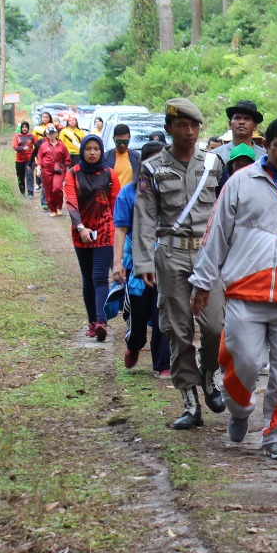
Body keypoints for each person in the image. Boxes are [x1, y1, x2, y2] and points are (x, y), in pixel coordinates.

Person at [190, 117, 277, 460]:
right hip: (245, 292)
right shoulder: (240, 183)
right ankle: (239, 410)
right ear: (265, 145)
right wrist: (204, 282)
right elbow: (216, 235)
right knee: (243, 362)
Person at [134, 98, 227, 430]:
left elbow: (227, 212)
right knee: (179, 331)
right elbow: (144, 217)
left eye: (195, 126)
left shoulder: (215, 164)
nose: (189, 133)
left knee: (215, 325)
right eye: (182, 126)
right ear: (168, 129)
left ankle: (209, 373)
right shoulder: (152, 168)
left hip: (208, 255)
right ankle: (190, 401)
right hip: (171, 254)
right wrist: (143, 261)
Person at [113, 140, 173, 378]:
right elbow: (120, 229)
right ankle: (134, 343)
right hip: (136, 264)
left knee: (163, 314)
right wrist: (117, 263)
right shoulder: (128, 194)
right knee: (138, 316)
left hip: (167, 262)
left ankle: (162, 363)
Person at [64, 135, 122, 341]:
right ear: (82, 151)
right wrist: (81, 227)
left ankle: (101, 322)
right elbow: (71, 203)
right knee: (88, 278)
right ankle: (91, 322)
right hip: (81, 232)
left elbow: (116, 203)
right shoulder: (73, 174)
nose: (92, 152)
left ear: (101, 151)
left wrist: (119, 231)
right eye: (88, 149)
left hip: (105, 230)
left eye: (96, 149)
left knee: (99, 276)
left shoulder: (109, 174)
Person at [214, 100, 269, 165]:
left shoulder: (266, 157)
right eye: (237, 118)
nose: (241, 122)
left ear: (255, 126)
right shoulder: (216, 156)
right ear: (230, 124)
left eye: (247, 118)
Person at [37, 125, 69, 216]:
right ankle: (53, 209)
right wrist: (39, 169)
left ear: (56, 134)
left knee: (57, 188)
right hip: (47, 171)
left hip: (58, 170)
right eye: (49, 133)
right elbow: (39, 158)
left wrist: (67, 171)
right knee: (48, 190)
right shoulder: (43, 146)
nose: (51, 135)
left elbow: (66, 158)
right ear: (47, 134)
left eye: (53, 133)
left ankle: (59, 206)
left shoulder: (61, 145)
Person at [34, 113, 55, 208]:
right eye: (43, 117)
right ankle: (44, 202)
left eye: (47, 117)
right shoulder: (41, 142)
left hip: (55, 166)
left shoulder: (59, 143)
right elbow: (39, 155)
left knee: (55, 185)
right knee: (45, 184)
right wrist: (38, 167)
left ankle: (53, 202)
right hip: (44, 164)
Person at [12, 122, 37, 197]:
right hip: (19, 160)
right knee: (20, 176)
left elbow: (37, 146)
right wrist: (23, 148)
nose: (24, 128)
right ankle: (22, 191)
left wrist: (35, 154)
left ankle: (30, 193)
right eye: (23, 127)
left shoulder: (32, 136)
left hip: (30, 160)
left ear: (28, 128)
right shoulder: (17, 136)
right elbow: (15, 147)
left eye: (26, 127)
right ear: (21, 128)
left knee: (29, 175)